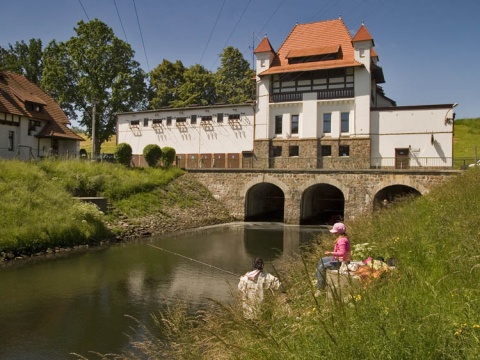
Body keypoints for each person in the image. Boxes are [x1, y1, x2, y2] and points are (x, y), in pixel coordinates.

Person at [315, 222, 351, 289]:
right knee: (322, 260)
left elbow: (342, 253)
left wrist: (330, 253)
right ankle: (318, 279)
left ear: (338, 232)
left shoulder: (342, 240)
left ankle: (320, 287)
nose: (333, 233)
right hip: (338, 259)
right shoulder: (341, 238)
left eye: (335, 232)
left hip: (342, 262)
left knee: (321, 267)